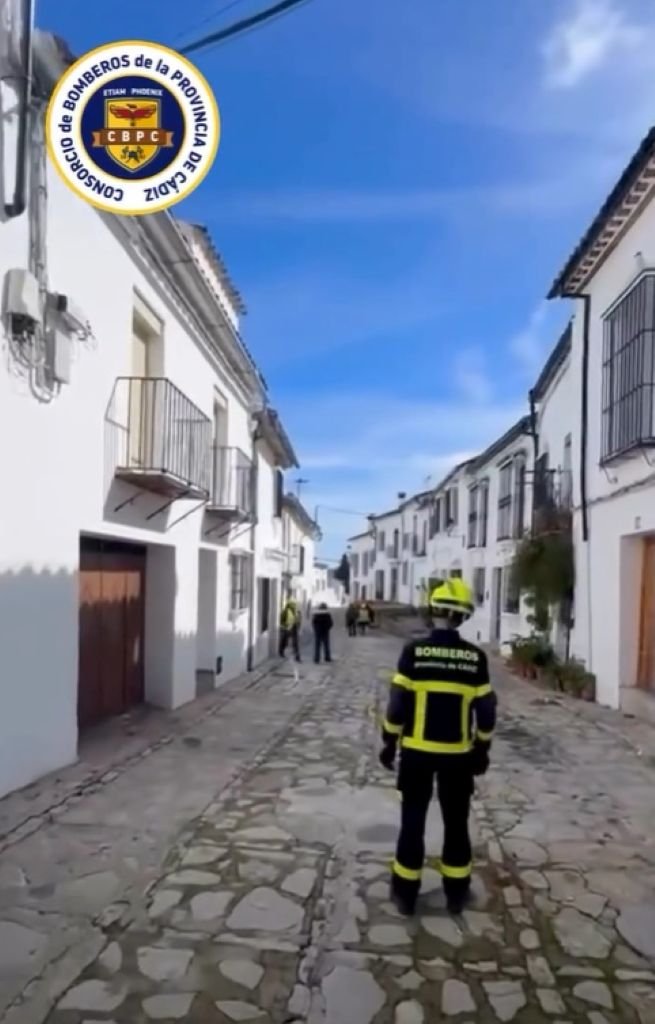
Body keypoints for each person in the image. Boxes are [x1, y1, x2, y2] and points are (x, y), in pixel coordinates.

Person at [379, 577, 497, 917]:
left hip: (416, 754)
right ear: (462, 617)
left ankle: (405, 895)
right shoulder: (475, 659)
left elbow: (398, 704)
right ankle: (456, 894)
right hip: (457, 758)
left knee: (412, 822)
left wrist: (389, 742)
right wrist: (482, 749)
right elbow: (487, 710)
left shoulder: (413, 652)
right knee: (456, 823)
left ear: (433, 612)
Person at [279, 597, 301, 662]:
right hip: (288, 628)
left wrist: (298, 627)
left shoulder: (296, 612)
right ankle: (282, 652)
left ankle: (297, 656)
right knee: (286, 642)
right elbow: (282, 620)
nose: (294, 606)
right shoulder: (286, 611)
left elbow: (298, 620)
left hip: (292, 628)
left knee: (294, 643)